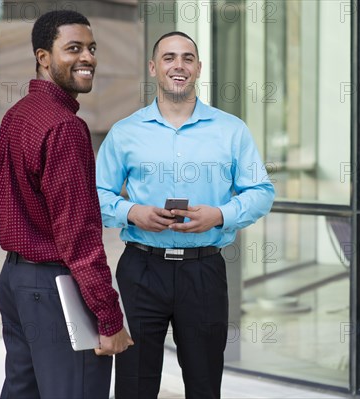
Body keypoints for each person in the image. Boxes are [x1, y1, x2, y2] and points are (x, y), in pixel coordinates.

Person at [96, 31, 275, 398]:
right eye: (169, 57)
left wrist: (221, 215)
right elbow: (95, 195)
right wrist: (132, 213)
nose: (179, 65)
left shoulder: (231, 130)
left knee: (205, 384)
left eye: (187, 58)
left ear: (198, 68)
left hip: (203, 272)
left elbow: (261, 192)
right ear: (153, 67)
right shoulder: (124, 133)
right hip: (141, 271)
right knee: (134, 385)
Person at [0, 10, 133, 398]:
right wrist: (109, 317)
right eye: (73, 48)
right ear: (43, 57)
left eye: (91, 48)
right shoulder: (65, 127)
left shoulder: (15, 116)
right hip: (56, 287)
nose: (87, 57)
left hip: (16, 282)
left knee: (23, 391)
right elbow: (79, 236)